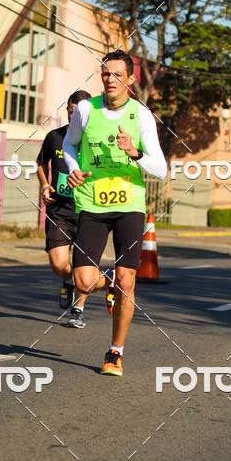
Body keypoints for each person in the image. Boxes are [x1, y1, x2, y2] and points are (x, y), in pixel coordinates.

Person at [63, 50, 167, 376]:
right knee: (82, 281)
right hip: (92, 203)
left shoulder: (141, 115)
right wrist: (73, 167)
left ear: (130, 79)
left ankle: (115, 352)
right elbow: (69, 144)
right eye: (106, 74)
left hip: (129, 205)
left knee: (127, 281)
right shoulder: (85, 109)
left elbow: (161, 169)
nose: (111, 79)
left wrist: (134, 152)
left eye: (118, 75)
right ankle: (109, 280)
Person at [37, 90, 92, 325]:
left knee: (83, 266)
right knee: (58, 264)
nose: (74, 117)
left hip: (88, 211)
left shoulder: (95, 140)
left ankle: (78, 310)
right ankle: (68, 281)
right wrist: (45, 185)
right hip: (59, 210)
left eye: (79, 113)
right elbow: (41, 163)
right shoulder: (55, 137)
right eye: (71, 112)